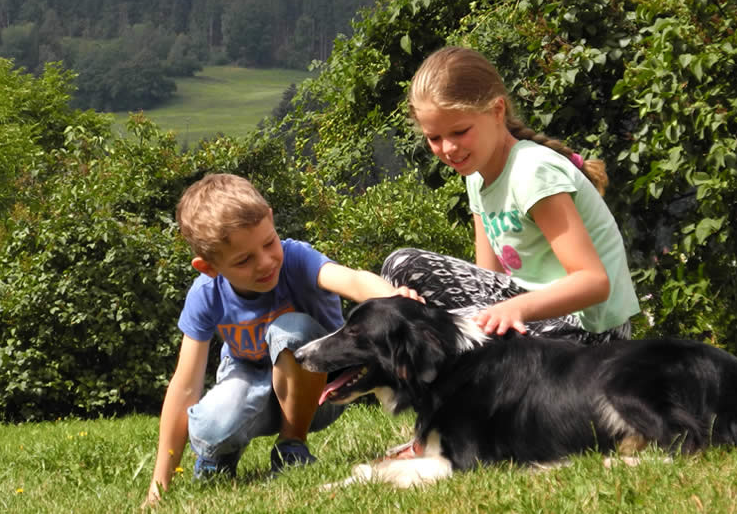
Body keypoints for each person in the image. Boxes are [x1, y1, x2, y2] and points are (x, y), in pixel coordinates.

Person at [145, 173, 418, 506]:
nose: (265, 262)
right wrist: (159, 486)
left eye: (268, 242)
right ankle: (217, 459)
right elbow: (184, 387)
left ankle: (292, 447)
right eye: (244, 260)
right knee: (212, 423)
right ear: (209, 268)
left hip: (318, 391)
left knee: (290, 331)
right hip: (252, 385)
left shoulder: (296, 259)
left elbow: (353, 280)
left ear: (271, 220)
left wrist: (393, 297)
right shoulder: (206, 294)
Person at [383, 45, 640, 344]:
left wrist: (515, 308)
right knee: (402, 271)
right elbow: (484, 282)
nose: (449, 148)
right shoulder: (477, 176)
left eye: (460, 131)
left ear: (497, 111)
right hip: (536, 318)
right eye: (434, 138)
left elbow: (593, 282)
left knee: (402, 264)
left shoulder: (531, 171)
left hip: (592, 332)